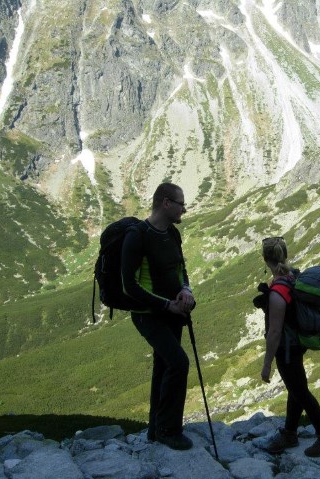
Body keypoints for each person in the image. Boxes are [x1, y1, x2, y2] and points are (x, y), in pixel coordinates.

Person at [121, 182, 195, 450]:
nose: (183, 210)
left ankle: (155, 429)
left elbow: (180, 268)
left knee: (164, 366)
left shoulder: (173, 234)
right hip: (148, 315)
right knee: (178, 363)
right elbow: (129, 286)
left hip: (173, 313)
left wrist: (186, 291)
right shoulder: (137, 236)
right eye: (180, 204)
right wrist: (167, 306)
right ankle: (169, 429)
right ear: (166, 203)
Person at [257, 236, 320, 457]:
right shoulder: (293, 277)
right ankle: (290, 433)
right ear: (284, 255)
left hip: (286, 349)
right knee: (296, 388)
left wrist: (266, 365)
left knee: (300, 392)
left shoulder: (277, 292)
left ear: (266, 260)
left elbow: (274, 333)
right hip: (297, 344)